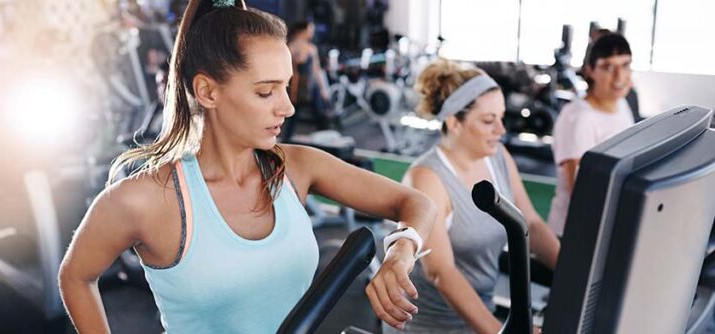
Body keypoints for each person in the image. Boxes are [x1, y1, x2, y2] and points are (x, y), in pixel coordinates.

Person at [58, 1, 437, 333]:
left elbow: (417, 203)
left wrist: (401, 250)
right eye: (265, 91)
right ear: (208, 92)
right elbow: (75, 276)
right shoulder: (145, 198)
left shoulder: (298, 167)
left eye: (286, 87)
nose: (287, 107)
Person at [385, 59, 561, 334]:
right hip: (430, 327)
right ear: (454, 122)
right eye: (489, 121)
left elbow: (532, 226)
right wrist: (499, 332)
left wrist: (575, 276)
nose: (501, 131)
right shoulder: (427, 179)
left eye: (501, 118)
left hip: (482, 315)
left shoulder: (498, 157)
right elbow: (441, 272)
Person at [548, 33, 635, 236]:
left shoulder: (622, 105)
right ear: (590, 71)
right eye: (607, 67)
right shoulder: (579, 118)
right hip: (575, 233)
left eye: (625, 65)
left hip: (609, 225)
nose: (619, 77)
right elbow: (581, 193)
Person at [282, 20, 331, 140]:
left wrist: (323, 88)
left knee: (320, 113)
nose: (312, 32)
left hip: (312, 86)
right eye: (310, 29)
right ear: (303, 31)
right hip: (297, 86)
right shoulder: (290, 47)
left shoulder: (311, 48)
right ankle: (286, 141)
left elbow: (317, 70)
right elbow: (287, 69)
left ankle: (325, 141)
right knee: (293, 115)